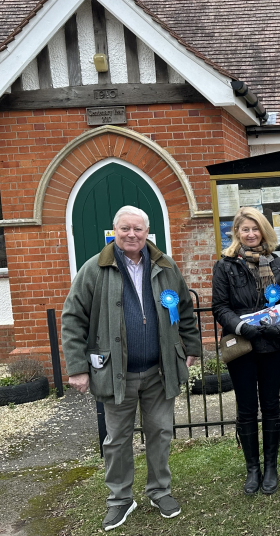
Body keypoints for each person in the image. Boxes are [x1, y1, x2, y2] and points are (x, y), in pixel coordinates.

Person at [61, 205, 201, 531]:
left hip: (159, 370)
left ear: (146, 233)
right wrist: (78, 367)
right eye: (125, 229)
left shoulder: (165, 266)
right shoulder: (94, 269)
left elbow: (184, 309)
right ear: (114, 231)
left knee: (161, 434)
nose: (131, 234)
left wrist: (191, 346)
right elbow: (72, 319)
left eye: (138, 229)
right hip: (115, 374)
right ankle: (120, 499)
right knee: (117, 440)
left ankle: (159, 491)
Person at [211, 207, 280, 495]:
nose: (250, 234)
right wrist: (242, 327)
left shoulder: (279, 264)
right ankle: (252, 468)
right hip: (242, 344)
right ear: (236, 233)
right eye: (245, 229)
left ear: (264, 231)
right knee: (246, 408)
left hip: (272, 344)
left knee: (270, 404)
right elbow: (220, 307)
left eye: (255, 228)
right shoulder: (225, 265)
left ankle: (270, 466)